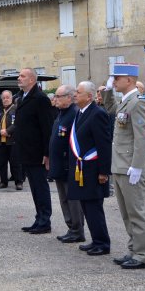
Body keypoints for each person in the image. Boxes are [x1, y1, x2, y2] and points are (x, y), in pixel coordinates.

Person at [104, 63, 145, 269]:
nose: (114, 81)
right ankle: (133, 249)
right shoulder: (126, 102)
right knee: (126, 213)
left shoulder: (138, 103)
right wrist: (107, 91)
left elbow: (142, 138)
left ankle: (142, 254)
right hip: (120, 166)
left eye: (117, 78)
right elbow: (110, 109)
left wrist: (137, 166)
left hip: (131, 167)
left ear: (129, 80)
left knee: (136, 213)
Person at [66, 82, 112, 255]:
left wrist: (103, 171)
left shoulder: (98, 113)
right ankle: (95, 240)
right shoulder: (81, 112)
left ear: (89, 96)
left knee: (94, 207)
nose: (75, 95)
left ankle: (102, 243)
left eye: (78, 92)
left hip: (93, 169)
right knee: (86, 206)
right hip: (82, 169)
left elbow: (104, 144)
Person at [15, 68, 55, 235]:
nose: (19, 78)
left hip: (38, 152)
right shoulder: (23, 97)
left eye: (22, 76)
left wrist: (47, 154)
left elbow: (47, 128)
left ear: (32, 80)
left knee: (41, 187)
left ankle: (45, 220)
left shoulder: (40, 99)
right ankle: (39, 218)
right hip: (27, 151)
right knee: (34, 187)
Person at [48, 85, 85, 243]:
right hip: (59, 164)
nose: (55, 99)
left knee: (72, 199)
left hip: (68, 165)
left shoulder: (74, 114)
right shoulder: (61, 113)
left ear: (69, 98)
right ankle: (71, 227)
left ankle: (77, 229)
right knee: (63, 198)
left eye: (58, 96)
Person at [0, 90, 22, 190]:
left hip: (13, 141)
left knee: (15, 163)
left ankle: (18, 182)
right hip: (0, 141)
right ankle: (3, 182)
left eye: (7, 97)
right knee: (2, 163)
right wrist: (0, 131)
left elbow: (18, 123)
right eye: (3, 98)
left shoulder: (16, 109)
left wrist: (8, 131)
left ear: (11, 98)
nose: (5, 99)